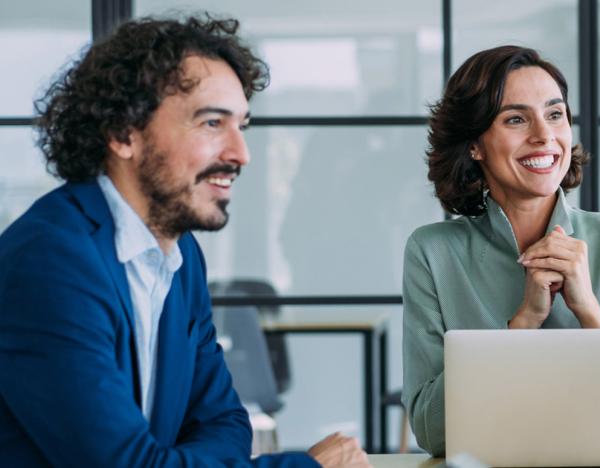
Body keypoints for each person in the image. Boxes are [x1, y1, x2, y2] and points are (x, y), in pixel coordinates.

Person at [0, 15, 368, 467]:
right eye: (212, 123)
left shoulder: (179, 254)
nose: (240, 154)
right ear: (123, 133)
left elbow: (226, 423)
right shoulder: (50, 261)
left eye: (241, 126)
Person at [402, 45, 600, 456]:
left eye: (555, 114)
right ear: (474, 145)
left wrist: (592, 315)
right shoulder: (432, 253)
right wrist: (522, 324)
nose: (544, 135)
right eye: (516, 119)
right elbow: (433, 433)